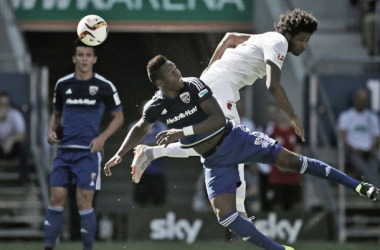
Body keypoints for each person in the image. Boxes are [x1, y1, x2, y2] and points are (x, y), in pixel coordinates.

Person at [104, 55, 379, 250]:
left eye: (176, 67)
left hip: (235, 139)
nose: (178, 73)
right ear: (160, 82)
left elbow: (219, 120)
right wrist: (119, 154)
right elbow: (140, 128)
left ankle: (358, 186)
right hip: (213, 160)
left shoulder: (194, 85)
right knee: (224, 215)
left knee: (291, 162)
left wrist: (182, 133)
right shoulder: (156, 106)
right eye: (172, 72)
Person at [131, 9, 317, 218]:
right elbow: (272, 85)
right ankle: (151, 153)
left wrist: (208, 72)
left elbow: (229, 39)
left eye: (307, 41)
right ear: (289, 35)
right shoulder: (279, 42)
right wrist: (293, 115)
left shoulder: (263, 38)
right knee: (231, 144)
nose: (303, 46)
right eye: (301, 39)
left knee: (228, 146)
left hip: (218, 84)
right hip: (221, 87)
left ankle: (239, 209)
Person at [44, 39, 124, 250]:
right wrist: (51, 131)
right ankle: (48, 247)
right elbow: (56, 114)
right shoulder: (63, 84)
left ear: (94, 59)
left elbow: (118, 117)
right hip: (64, 151)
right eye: (80, 55)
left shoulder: (104, 86)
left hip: (88, 153)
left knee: (83, 201)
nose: (84, 59)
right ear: (74, 58)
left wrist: (102, 138)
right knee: (56, 196)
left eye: (88, 55)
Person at [338, 87, 380, 187]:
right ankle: (376, 189)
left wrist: (372, 149)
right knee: (362, 166)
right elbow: (342, 137)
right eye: (360, 99)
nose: (362, 102)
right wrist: (355, 150)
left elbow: (377, 137)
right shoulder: (346, 116)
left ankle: (373, 190)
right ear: (355, 99)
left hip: (369, 152)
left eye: (364, 100)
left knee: (373, 165)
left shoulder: (372, 117)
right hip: (353, 152)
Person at [129, 100, 167, 207]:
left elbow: (165, 144)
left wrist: (144, 145)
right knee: (140, 201)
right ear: (140, 111)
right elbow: (132, 145)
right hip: (140, 169)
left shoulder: (162, 127)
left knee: (159, 201)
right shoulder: (134, 126)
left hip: (157, 170)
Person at [267, 108, 302, 211]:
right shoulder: (272, 131)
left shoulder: (295, 131)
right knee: (277, 205)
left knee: (295, 205)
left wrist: (289, 165)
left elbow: (298, 151)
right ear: (277, 116)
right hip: (276, 174)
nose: (283, 116)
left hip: (292, 174)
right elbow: (270, 150)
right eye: (281, 114)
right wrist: (280, 165)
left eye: (285, 114)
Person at [0, 92, 29, 185]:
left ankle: (24, 180)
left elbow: (21, 134)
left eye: (5, 104)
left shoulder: (15, 114)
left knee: (22, 146)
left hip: (11, 149)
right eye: (1, 104)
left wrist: (11, 140)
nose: (3, 107)